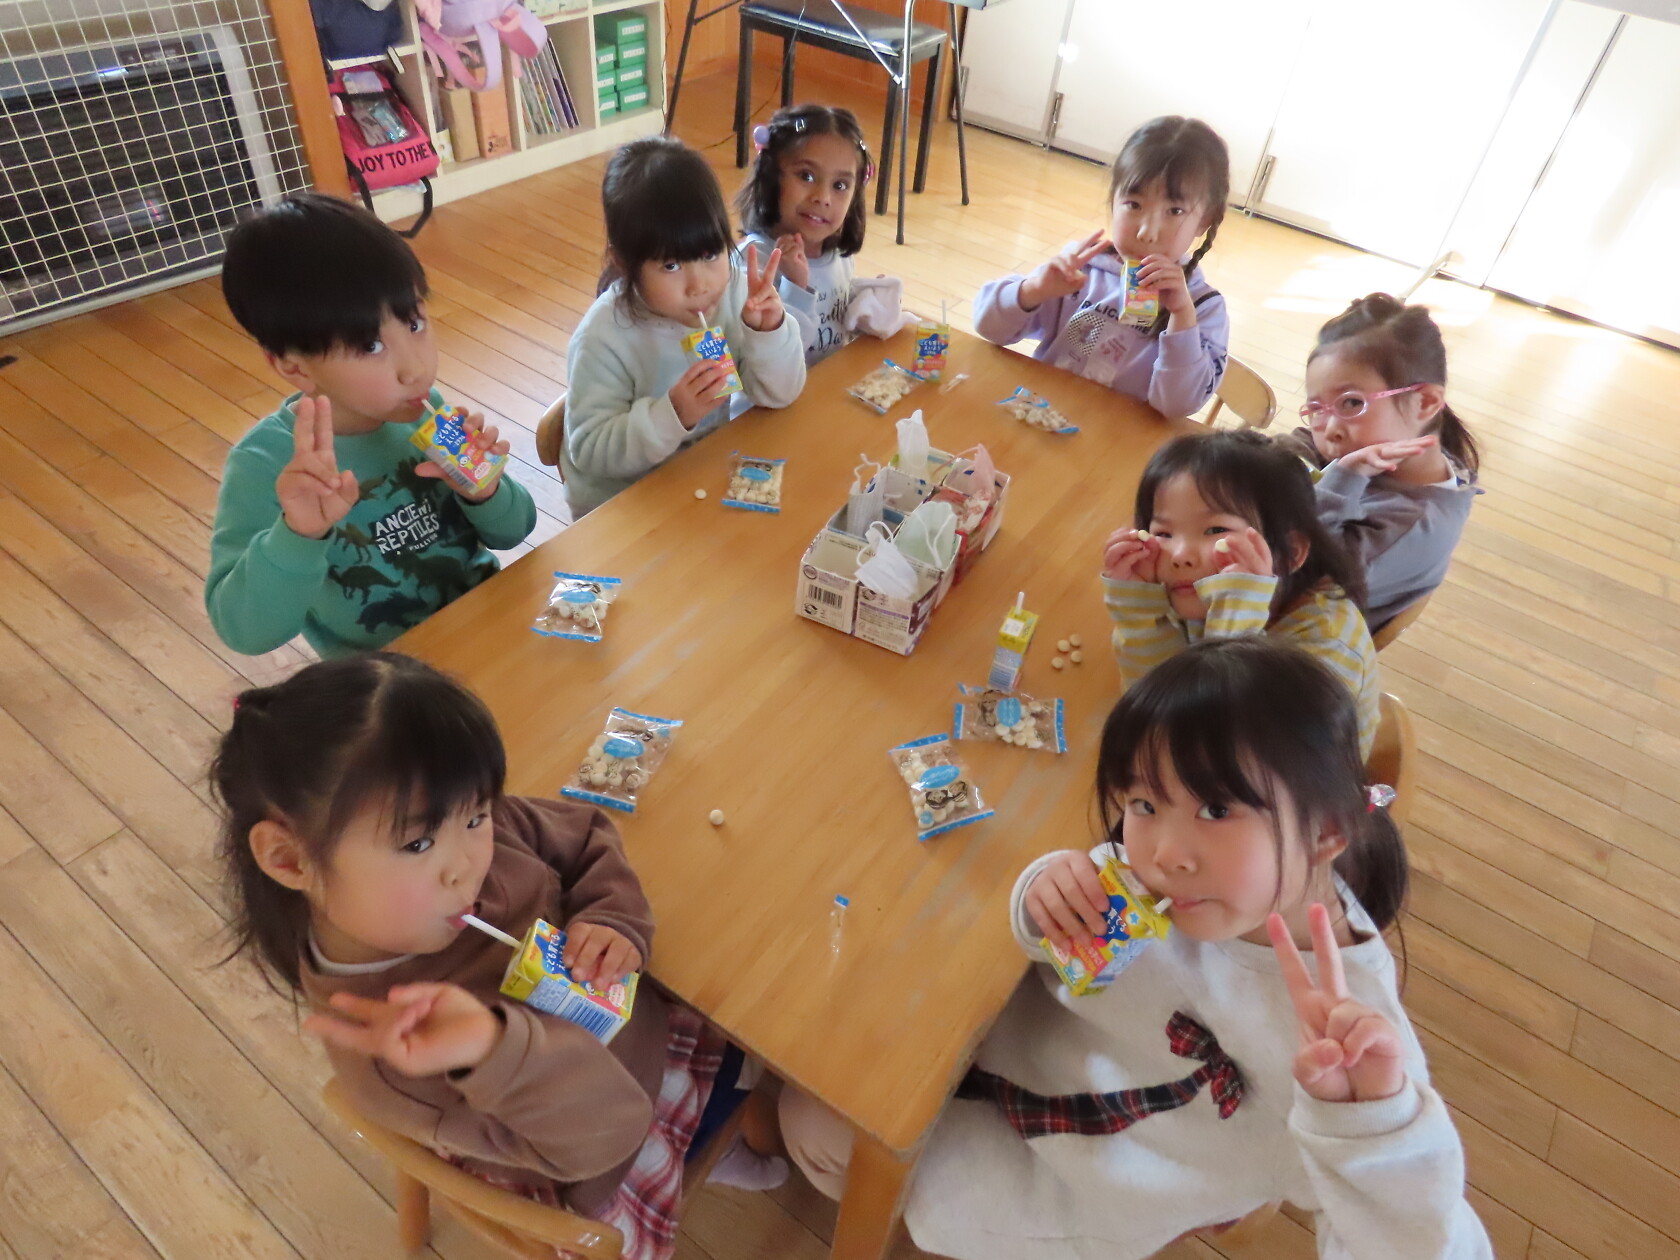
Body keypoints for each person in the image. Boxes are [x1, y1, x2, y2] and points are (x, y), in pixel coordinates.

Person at [781, 639, 1493, 1259]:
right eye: (1145, 804)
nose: (1165, 852)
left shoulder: (1349, 1047)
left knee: (810, 1120)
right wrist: (1045, 895)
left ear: (1328, 832)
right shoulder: (1172, 877)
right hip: (1006, 1054)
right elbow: (1061, 946)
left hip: (1074, 1189)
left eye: (1217, 809)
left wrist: (1374, 1135)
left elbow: (1422, 1243)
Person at [212, 652, 783, 1258]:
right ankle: (706, 1141)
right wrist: (491, 1050)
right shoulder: (398, 1057)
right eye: (418, 844)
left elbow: (584, 835)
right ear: (290, 861)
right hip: (596, 1150)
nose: (468, 866)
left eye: (477, 814)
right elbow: (606, 1135)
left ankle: (716, 1136)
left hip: (636, 1031)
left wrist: (610, 917)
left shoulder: (463, 826)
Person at [208, 193, 535, 657]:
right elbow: (245, 632)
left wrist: (484, 490)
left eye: (415, 323)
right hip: (391, 680)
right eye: (370, 346)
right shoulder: (265, 464)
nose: (415, 369)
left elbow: (514, 530)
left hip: (492, 625)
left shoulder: (428, 410)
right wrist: (298, 534)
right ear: (294, 366)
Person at [561, 137, 806, 517]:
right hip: (624, 506)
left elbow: (780, 395)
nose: (699, 286)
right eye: (671, 266)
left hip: (702, 473)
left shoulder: (735, 293)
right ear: (624, 263)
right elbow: (590, 451)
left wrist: (769, 332)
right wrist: (672, 414)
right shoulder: (603, 338)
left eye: (710, 254)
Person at [1101, 428, 1380, 757]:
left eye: (1216, 529)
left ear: (1290, 552)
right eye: (1163, 533)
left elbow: (1215, 756)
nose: (1180, 554)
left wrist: (1235, 634)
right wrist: (1140, 614)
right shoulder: (1203, 589)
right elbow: (1156, 711)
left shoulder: (1327, 649)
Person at [973, 116, 1231, 417]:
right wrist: (1033, 290)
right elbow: (988, 328)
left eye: (1174, 211)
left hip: (1120, 436)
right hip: (1043, 416)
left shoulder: (1202, 307)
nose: (1147, 232)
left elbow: (1177, 406)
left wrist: (1181, 317)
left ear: (1203, 222)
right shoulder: (1080, 270)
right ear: (1113, 201)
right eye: (1134, 205)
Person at [1290, 293, 1483, 631]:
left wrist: (1343, 479)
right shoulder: (1380, 446)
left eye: (1352, 403)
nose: (1331, 429)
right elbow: (1299, 443)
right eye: (1317, 409)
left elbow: (1293, 570)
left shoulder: (1410, 527)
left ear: (1425, 402)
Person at [736, 103, 900, 363]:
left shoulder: (838, 256)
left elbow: (833, 321)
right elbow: (771, 362)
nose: (823, 197)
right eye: (807, 176)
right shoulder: (752, 264)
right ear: (771, 176)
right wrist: (795, 286)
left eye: (840, 185)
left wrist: (866, 303)